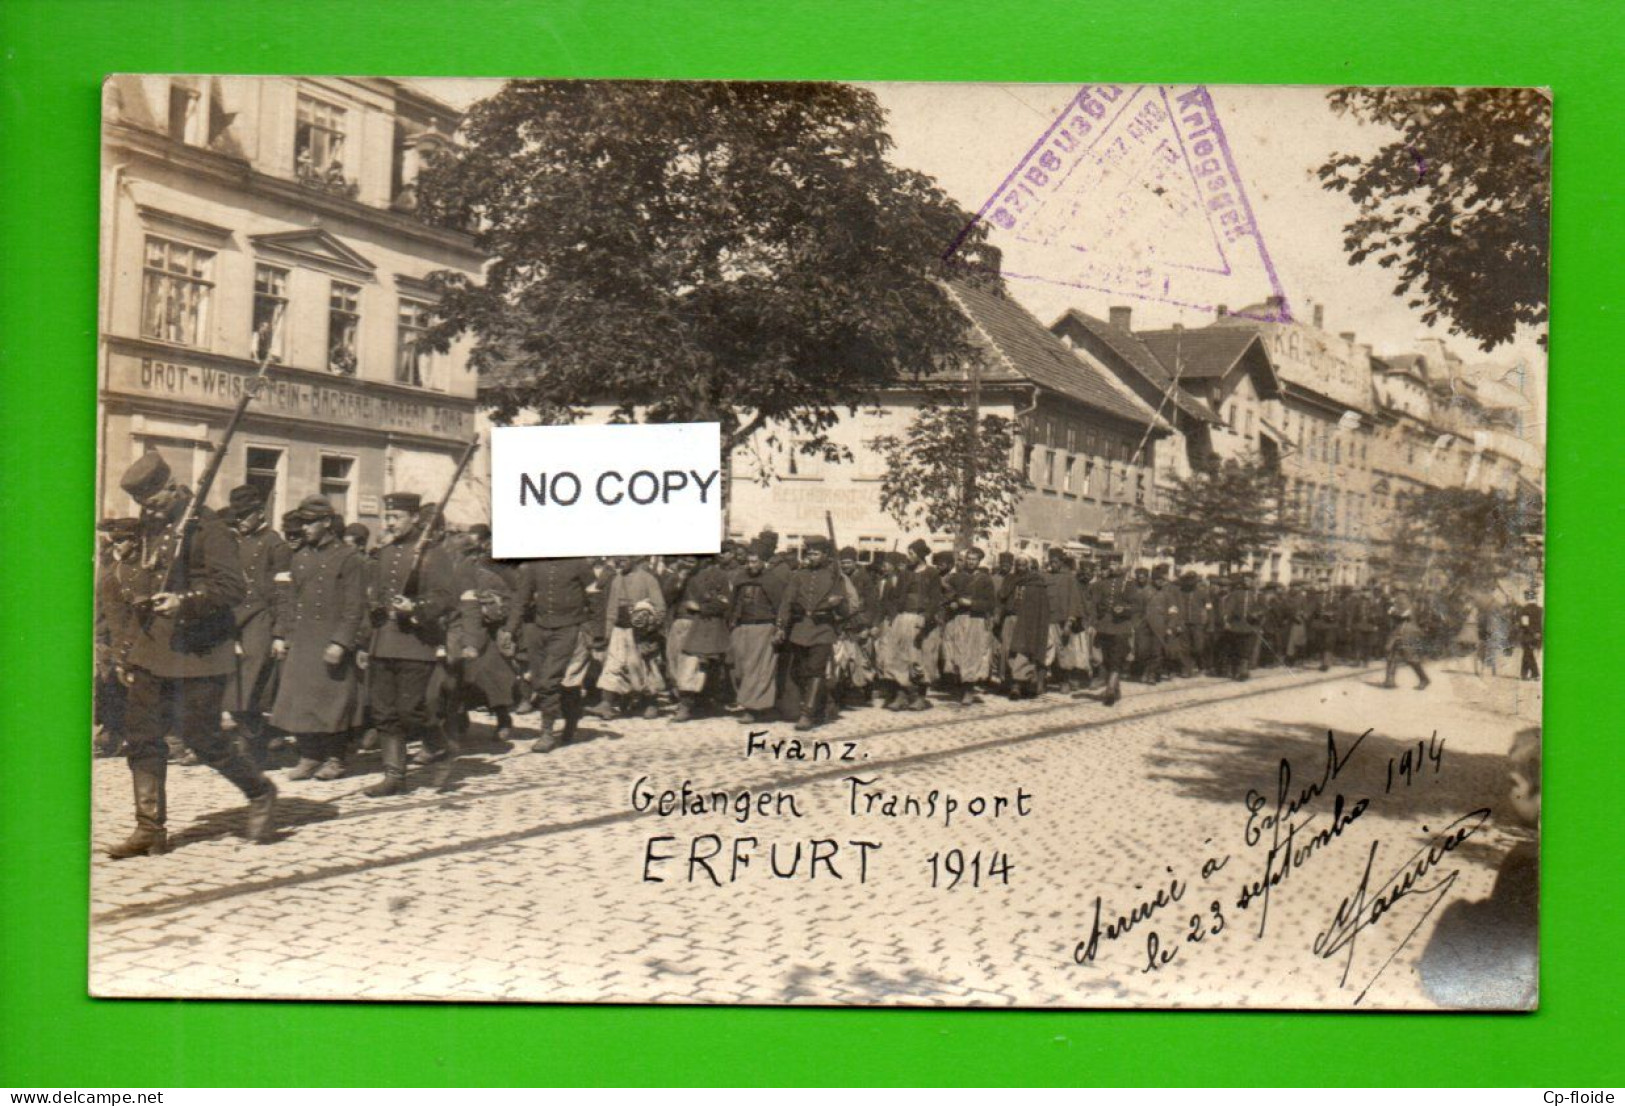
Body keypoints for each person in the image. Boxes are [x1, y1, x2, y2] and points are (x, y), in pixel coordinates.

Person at [104, 453, 276, 858]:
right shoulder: (153, 526)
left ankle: (260, 791)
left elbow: (232, 589)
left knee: (204, 739)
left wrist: (184, 601)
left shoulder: (209, 527)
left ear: (172, 485)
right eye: (144, 503)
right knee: (142, 737)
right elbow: (142, 582)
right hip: (152, 648)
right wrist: (127, 650)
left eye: (155, 499)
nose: (150, 508)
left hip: (199, 650)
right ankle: (150, 828)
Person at [1419, 727, 1538, 1008]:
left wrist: (1457, 916)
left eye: (1512, 784)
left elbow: (1503, 968)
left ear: (1521, 784)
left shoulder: (1526, 863)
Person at [364, 491, 456, 797]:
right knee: (383, 711)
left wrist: (415, 607)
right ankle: (395, 775)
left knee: (410, 710)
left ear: (414, 518)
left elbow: (444, 598)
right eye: (387, 517)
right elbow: (375, 594)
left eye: (397, 517)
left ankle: (441, 752)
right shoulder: (385, 552)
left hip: (416, 642)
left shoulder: (432, 553)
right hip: (384, 640)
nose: (390, 522)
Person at [269, 495, 368, 781]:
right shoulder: (300, 557)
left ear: (327, 522)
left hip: (331, 639)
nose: (305, 529)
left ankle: (336, 757)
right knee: (301, 699)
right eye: (302, 523)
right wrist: (281, 635)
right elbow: (289, 601)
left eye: (311, 522)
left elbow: (355, 606)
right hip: (303, 639)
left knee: (333, 701)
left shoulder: (350, 558)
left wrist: (341, 642)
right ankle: (310, 755)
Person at [222, 484, 291, 768]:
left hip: (262, 619)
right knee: (232, 687)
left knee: (249, 688)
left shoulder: (276, 544)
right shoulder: (234, 542)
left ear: (259, 512)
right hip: (234, 619)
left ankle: (254, 751)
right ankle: (252, 745)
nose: (240, 520)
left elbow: (284, 594)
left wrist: (279, 633)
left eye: (245, 515)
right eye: (237, 515)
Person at [503, 553, 598, 752]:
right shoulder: (535, 564)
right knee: (539, 680)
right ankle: (572, 715)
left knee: (549, 680)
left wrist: (596, 631)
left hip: (568, 627)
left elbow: (595, 597)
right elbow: (521, 598)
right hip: (538, 628)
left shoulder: (579, 563)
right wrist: (509, 630)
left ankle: (546, 733)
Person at [443, 525, 517, 749]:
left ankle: (503, 717)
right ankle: (458, 720)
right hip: (451, 633)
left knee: (489, 678)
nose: (459, 561)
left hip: (483, 635)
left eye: (464, 556)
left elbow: (506, 604)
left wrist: (489, 605)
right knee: (452, 680)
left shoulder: (488, 578)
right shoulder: (445, 576)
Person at [776, 536, 853, 731]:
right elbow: (786, 602)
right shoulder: (798, 576)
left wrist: (839, 602)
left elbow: (845, 612)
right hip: (800, 629)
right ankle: (822, 706)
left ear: (825, 555)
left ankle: (807, 714)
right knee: (800, 671)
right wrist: (781, 626)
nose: (811, 557)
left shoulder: (834, 576)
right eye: (809, 553)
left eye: (816, 553)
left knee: (816, 670)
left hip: (823, 629)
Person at [594, 555, 667, 719]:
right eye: (618, 560)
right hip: (619, 630)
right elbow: (611, 610)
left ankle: (651, 702)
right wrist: (607, 634)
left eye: (625, 559)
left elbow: (660, 608)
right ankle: (606, 703)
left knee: (642, 666)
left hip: (640, 632)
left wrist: (649, 627)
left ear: (634, 559)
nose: (621, 563)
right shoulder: (616, 580)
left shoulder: (648, 579)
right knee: (613, 664)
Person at [94, 518, 143, 758]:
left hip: (134, 640)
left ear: (135, 541)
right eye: (113, 539)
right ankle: (110, 736)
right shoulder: (110, 567)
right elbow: (103, 608)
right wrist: (100, 638)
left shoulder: (142, 571)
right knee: (110, 687)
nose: (115, 544)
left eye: (121, 539)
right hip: (110, 637)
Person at [876, 539, 941, 711]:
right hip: (903, 619)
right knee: (900, 657)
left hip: (922, 621)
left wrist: (926, 617)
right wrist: (894, 616)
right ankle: (901, 695)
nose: (908, 557)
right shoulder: (905, 574)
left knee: (921, 659)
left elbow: (936, 599)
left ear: (920, 555)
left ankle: (920, 697)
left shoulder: (932, 573)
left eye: (911, 553)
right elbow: (896, 597)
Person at [727, 539, 785, 724]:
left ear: (763, 562)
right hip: (742, 626)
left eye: (754, 561)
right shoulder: (741, 578)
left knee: (758, 669)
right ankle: (752, 704)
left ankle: (753, 709)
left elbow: (780, 606)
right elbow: (734, 603)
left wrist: (780, 628)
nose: (751, 565)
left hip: (764, 626)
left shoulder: (772, 579)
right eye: (748, 561)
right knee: (741, 667)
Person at [674, 553, 733, 721]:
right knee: (690, 664)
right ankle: (685, 705)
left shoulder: (721, 576)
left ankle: (705, 703)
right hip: (696, 626)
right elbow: (684, 601)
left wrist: (701, 607)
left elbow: (724, 603)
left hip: (714, 626)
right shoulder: (690, 578)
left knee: (711, 666)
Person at [941, 547, 996, 706]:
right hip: (958, 619)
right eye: (969, 559)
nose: (971, 562)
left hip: (975, 620)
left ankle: (969, 690)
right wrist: (951, 602)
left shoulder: (985, 579)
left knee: (971, 655)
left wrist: (972, 603)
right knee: (956, 653)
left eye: (974, 559)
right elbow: (946, 594)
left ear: (979, 561)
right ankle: (960, 685)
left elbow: (990, 603)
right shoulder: (956, 577)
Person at [832, 546, 879, 707]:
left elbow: (872, 604)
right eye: (842, 562)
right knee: (844, 659)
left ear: (854, 562)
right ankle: (844, 693)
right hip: (843, 623)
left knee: (864, 658)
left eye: (848, 562)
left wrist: (869, 625)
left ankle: (867, 692)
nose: (845, 565)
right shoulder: (838, 578)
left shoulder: (864, 579)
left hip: (860, 622)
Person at [998, 554, 1050, 698]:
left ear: (1028, 565)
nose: (1020, 567)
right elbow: (1002, 597)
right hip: (1010, 618)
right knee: (1008, 650)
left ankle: (1018, 684)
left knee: (1023, 651)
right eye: (1018, 564)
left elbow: (1041, 606)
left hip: (1028, 621)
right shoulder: (1009, 579)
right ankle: (1009, 682)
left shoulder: (1036, 582)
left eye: (1023, 564)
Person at [1090, 565, 1133, 705]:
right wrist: (1093, 623)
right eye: (1111, 566)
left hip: (1121, 626)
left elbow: (1137, 606)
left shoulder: (1129, 584)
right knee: (1107, 658)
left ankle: (1110, 689)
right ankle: (1115, 689)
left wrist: (1125, 610)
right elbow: (1094, 605)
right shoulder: (1100, 585)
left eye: (1117, 565)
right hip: (1104, 626)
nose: (1114, 568)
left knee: (1117, 657)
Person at [1380, 590, 1431, 690]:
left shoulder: (1405, 601)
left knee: (1410, 657)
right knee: (1392, 654)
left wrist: (1391, 611)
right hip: (1399, 631)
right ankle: (1390, 680)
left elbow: (1403, 614)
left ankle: (1424, 679)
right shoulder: (1398, 600)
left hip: (1408, 632)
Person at [1221, 571, 1262, 681]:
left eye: (1249, 580)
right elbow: (1229, 608)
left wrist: (1257, 614)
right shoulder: (1236, 594)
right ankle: (1235, 670)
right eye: (1245, 580)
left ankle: (1244, 671)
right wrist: (1226, 620)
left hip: (1251, 627)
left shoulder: (1257, 595)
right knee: (1236, 649)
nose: (1246, 582)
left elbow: (1263, 608)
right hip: (1237, 626)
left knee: (1247, 650)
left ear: (1253, 582)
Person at [1517, 589, 1543, 681]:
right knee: (1527, 654)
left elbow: (1525, 624)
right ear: (1535, 598)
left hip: (1528, 636)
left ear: (1526, 597)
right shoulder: (1540, 610)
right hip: (1539, 636)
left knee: (1528, 654)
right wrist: (1539, 634)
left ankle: (1535, 674)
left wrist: (1533, 633)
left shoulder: (1524, 610)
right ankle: (1524, 674)